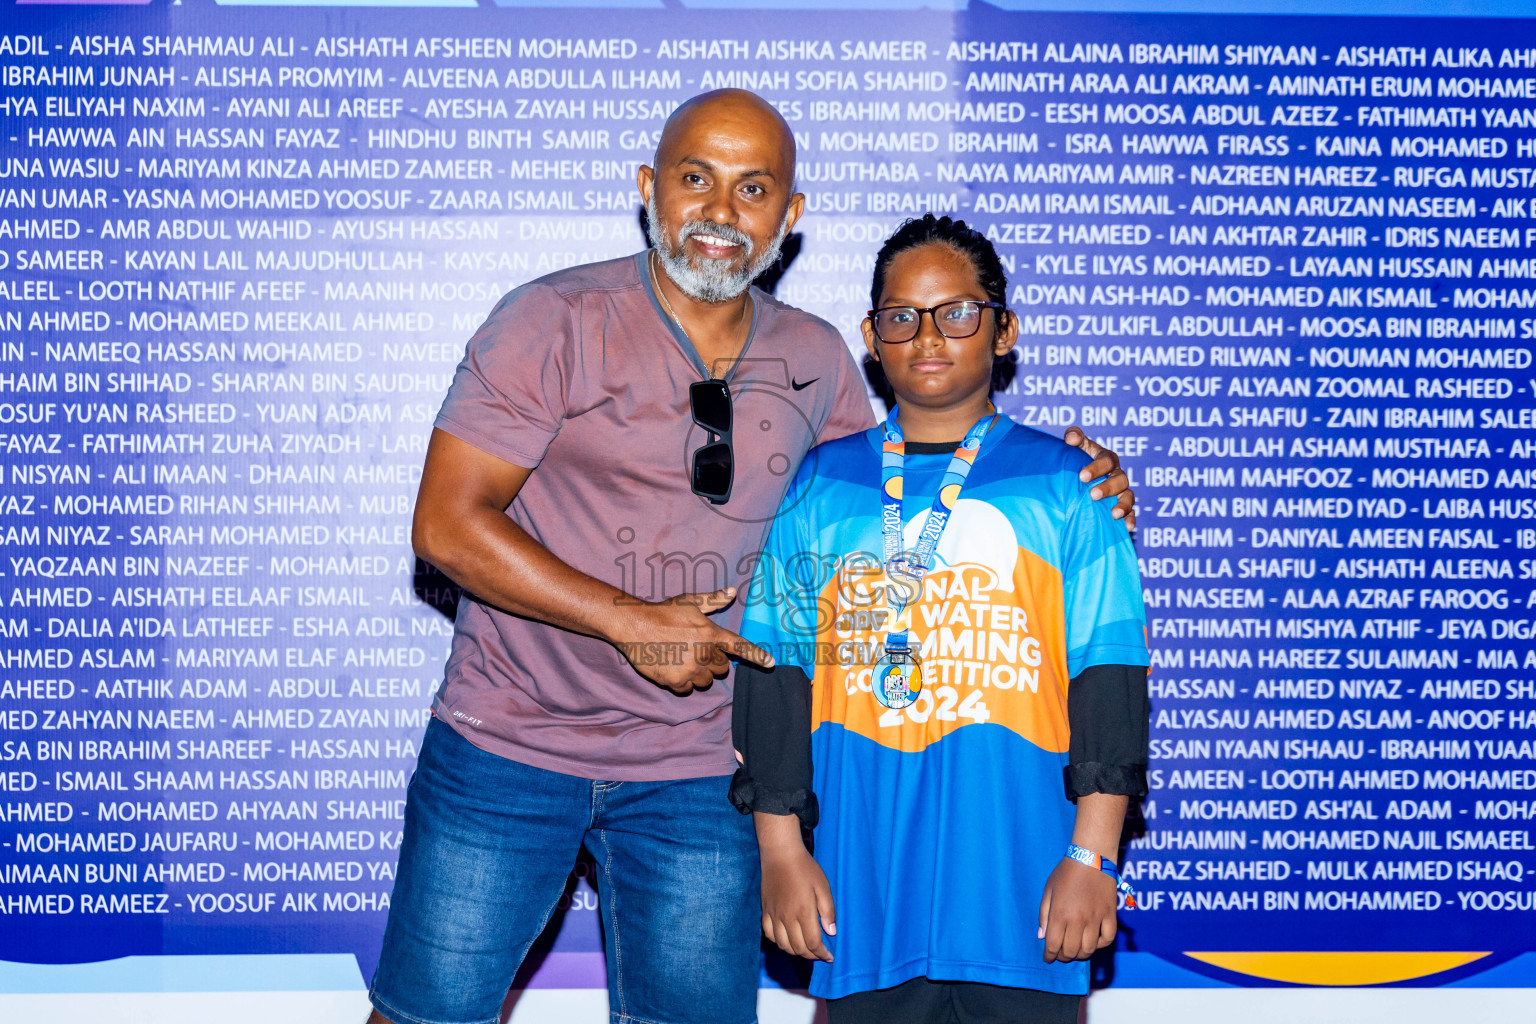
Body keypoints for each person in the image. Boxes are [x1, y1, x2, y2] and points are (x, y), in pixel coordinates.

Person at [367, 90, 1137, 1024]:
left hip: (703, 778)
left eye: (754, 188)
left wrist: (1080, 482)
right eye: (696, 180)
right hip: (507, 748)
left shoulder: (817, 360)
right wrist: (627, 620)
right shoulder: (551, 319)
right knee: (425, 1017)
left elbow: (912, 490)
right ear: (650, 189)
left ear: (790, 217)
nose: (722, 212)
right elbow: (445, 527)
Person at [732, 214, 1150, 1024]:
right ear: (872, 337)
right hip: (864, 890)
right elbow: (776, 674)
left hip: (1025, 886)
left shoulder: (1068, 486)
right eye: (902, 316)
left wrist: (1093, 853)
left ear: (1004, 329)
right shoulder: (821, 488)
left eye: (957, 312)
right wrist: (780, 847)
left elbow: (1109, 674)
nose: (929, 336)